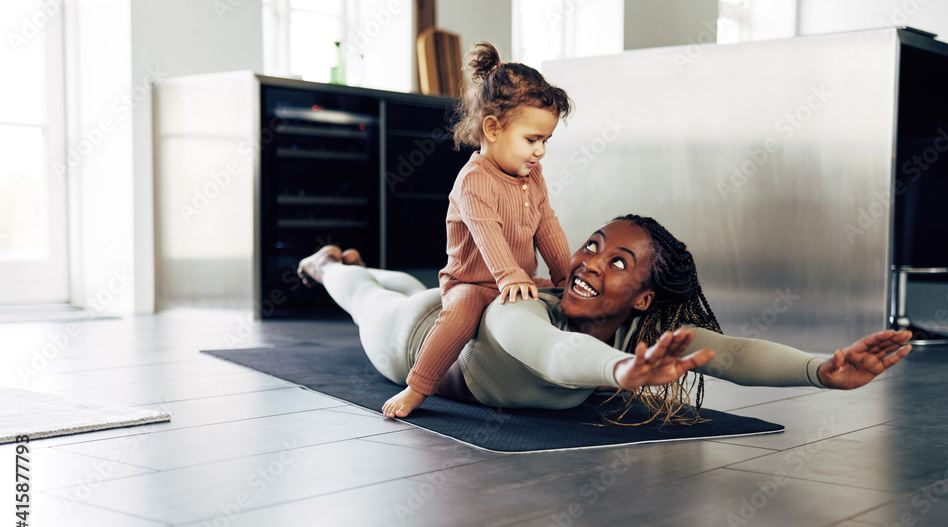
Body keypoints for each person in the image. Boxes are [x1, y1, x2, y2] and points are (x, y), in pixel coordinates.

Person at [295, 215, 912, 422]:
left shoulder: (642, 336)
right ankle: (326, 263)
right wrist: (619, 370)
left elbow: (731, 351)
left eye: (620, 262)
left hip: (451, 306)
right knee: (366, 297)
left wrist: (820, 371)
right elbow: (556, 357)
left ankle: (357, 262)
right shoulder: (523, 310)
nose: (591, 261)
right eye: (592, 244)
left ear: (642, 299)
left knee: (395, 282)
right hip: (415, 338)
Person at [384, 42, 574, 418]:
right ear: (492, 128)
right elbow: (487, 233)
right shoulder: (473, 181)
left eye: (546, 141)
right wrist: (508, 276)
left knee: (573, 297)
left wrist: (564, 274)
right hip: (472, 281)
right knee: (460, 312)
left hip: (517, 278)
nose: (541, 152)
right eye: (531, 140)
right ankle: (417, 386)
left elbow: (547, 225)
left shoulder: (532, 175)